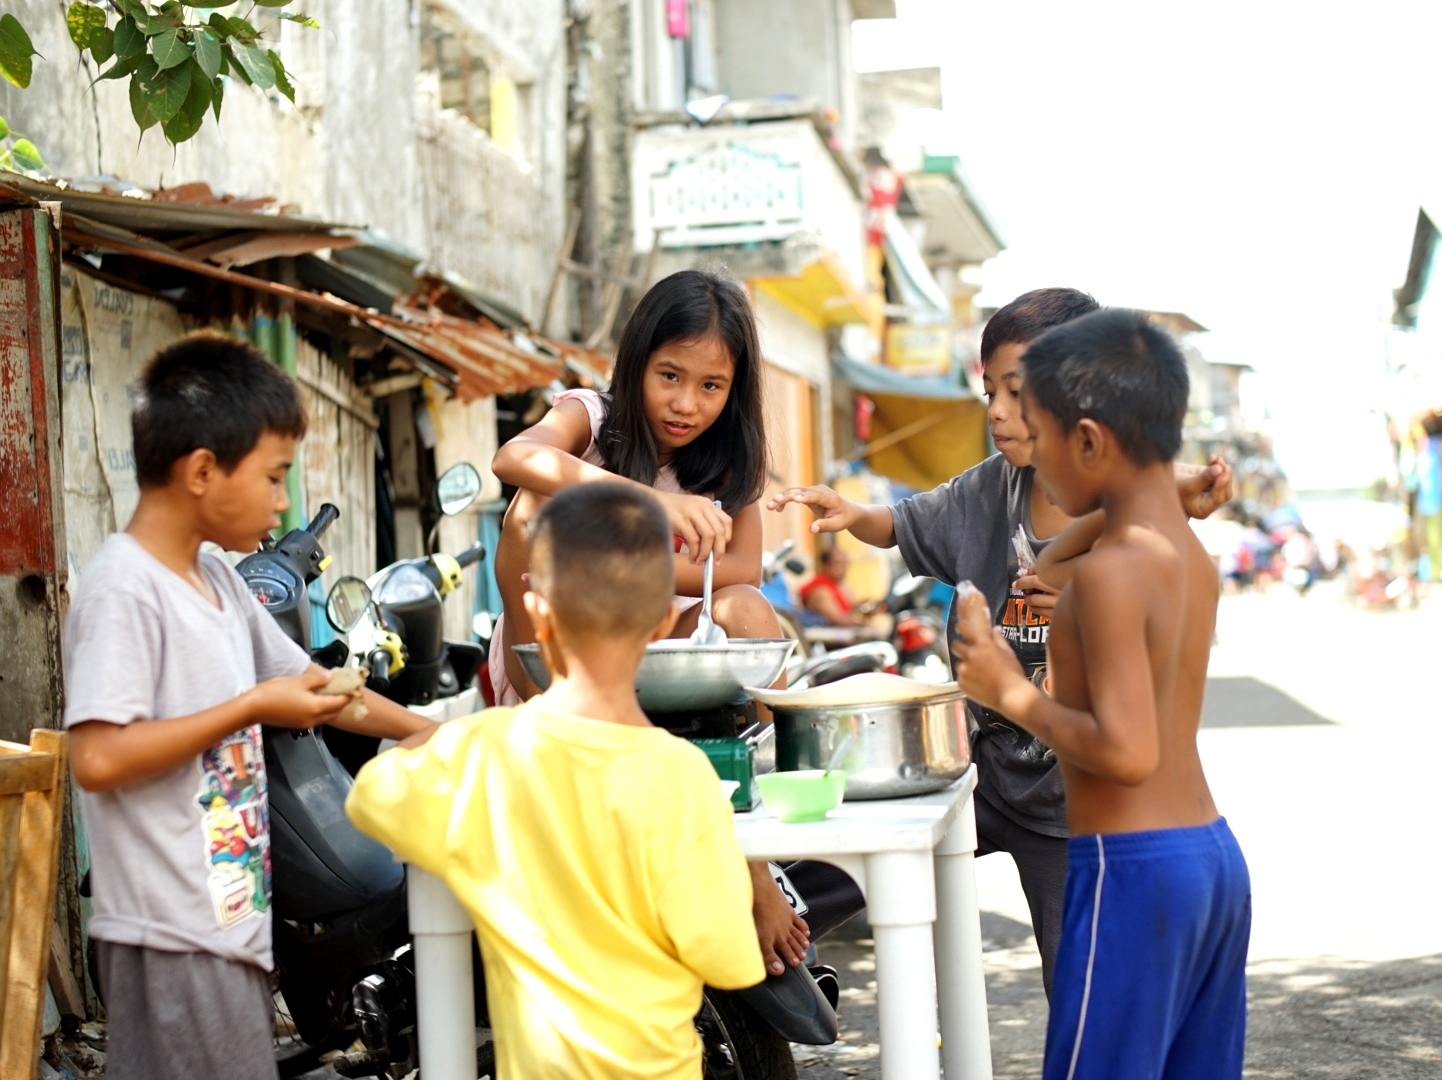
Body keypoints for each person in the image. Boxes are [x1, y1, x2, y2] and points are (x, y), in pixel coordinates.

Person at [767, 288, 1231, 997]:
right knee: (849, 854)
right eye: (990, 392)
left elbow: (1142, 697)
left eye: (1019, 393)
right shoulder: (986, 493)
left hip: (1077, 810)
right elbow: (905, 524)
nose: (998, 413)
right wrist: (851, 511)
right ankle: (765, 938)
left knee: (1083, 993)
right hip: (984, 772)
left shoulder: (1132, 528)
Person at [61, 331, 434, 1080]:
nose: (283, 501)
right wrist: (249, 706)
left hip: (229, 916)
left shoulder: (218, 580)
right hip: (166, 933)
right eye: (272, 477)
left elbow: (322, 694)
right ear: (202, 470)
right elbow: (97, 757)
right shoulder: (126, 588)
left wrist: (433, 731)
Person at [346, 483, 766, 1079]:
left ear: (536, 612)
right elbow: (729, 961)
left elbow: (369, 799)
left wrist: (447, 735)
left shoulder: (482, 755)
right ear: (664, 619)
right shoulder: (684, 777)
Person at [954, 308, 1251, 1080]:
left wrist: (1006, 690)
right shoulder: (1181, 551)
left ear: (1088, 441)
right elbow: (1049, 557)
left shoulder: (1118, 571)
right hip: (1210, 861)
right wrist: (1161, 486)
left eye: (1043, 435)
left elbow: (1126, 749)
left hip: (1133, 869)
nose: (1035, 457)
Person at [490, 268, 808, 975]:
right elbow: (515, 457)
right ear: (636, 361)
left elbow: (741, 575)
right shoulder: (592, 418)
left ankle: (760, 829)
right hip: (553, 652)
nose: (686, 403)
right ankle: (737, 868)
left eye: (710, 386)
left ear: (734, 389)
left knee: (751, 612)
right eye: (669, 375)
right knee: (529, 505)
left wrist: (641, 569)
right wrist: (651, 507)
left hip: (661, 650)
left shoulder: (731, 457)